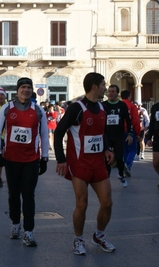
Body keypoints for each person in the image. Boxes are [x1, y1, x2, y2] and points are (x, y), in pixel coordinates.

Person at [54, 72, 115, 255]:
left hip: (98, 164)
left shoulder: (103, 108)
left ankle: (99, 236)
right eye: (104, 85)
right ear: (95, 86)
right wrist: (61, 159)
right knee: (82, 204)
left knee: (107, 203)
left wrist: (106, 149)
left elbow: (101, 133)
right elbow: (58, 133)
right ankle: (78, 239)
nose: (106, 88)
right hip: (79, 164)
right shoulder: (76, 108)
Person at [0, 77, 49, 246]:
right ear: (17, 91)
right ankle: (16, 224)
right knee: (13, 194)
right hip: (11, 159)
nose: (26, 90)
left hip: (31, 159)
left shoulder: (38, 110)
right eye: (23, 87)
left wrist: (44, 157)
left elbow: (45, 134)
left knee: (29, 195)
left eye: (28, 87)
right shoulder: (7, 109)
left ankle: (29, 231)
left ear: (32, 91)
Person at [102, 84, 132, 188]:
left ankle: (121, 175)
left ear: (117, 93)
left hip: (119, 136)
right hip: (107, 136)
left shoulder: (122, 105)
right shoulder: (103, 105)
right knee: (107, 159)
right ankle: (107, 179)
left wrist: (129, 134)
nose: (110, 93)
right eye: (109, 91)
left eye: (113, 91)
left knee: (119, 158)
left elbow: (128, 121)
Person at [120, 90, 141, 177]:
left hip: (120, 131)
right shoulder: (132, 106)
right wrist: (137, 133)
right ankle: (127, 165)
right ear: (129, 96)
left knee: (124, 150)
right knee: (132, 150)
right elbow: (135, 120)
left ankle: (126, 168)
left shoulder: (119, 105)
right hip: (129, 130)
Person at [146, 101, 159, 190]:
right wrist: (149, 138)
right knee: (156, 162)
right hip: (158, 136)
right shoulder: (155, 107)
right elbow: (152, 123)